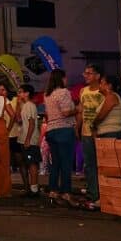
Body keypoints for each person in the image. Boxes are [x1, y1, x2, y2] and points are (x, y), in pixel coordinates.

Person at [43, 69, 77, 206]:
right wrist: (78, 109)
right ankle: (66, 192)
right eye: (65, 78)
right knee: (66, 163)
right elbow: (66, 112)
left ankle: (53, 191)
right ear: (62, 78)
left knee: (55, 163)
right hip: (64, 130)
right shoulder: (64, 92)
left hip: (51, 130)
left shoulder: (47, 95)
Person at [76, 64, 103, 207]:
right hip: (86, 132)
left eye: (89, 73)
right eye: (85, 73)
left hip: (100, 133)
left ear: (98, 76)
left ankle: (103, 194)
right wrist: (77, 127)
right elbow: (81, 111)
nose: (86, 76)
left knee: (102, 165)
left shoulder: (103, 91)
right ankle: (93, 194)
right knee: (89, 165)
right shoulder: (83, 91)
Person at [16, 84, 40, 197]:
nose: (19, 94)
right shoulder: (24, 105)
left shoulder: (30, 105)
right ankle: (31, 188)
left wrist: (28, 139)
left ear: (27, 93)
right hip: (23, 138)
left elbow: (32, 123)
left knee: (32, 164)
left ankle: (34, 189)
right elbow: (19, 120)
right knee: (28, 163)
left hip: (30, 140)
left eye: (21, 92)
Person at [93, 75, 121, 140]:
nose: (99, 85)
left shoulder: (111, 97)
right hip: (108, 133)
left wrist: (92, 124)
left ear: (109, 85)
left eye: (102, 83)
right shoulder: (108, 98)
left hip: (111, 134)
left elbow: (101, 116)